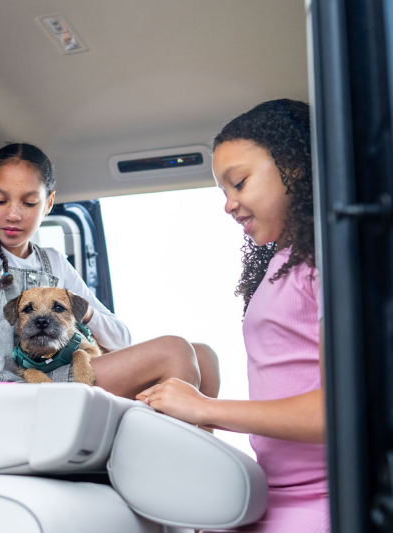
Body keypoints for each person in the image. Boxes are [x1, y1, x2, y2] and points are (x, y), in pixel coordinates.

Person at [0, 143, 219, 400]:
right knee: (174, 350)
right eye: (0, 200)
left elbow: (121, 338)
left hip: (56, 376)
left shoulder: (54, 262)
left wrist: (78, 311)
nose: (13, 214)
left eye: (28, 203)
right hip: (3, 388)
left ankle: (199, 468)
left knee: (202, 354)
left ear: (50, 203)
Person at [137, 99, 329, 532]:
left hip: (320, 497)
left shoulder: (328, 261)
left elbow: (337, 412)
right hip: (274, 493)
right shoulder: (287, 260)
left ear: (294, 166)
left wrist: (207, 408)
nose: (229, 204)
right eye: (223, 192)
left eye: (239, 183)